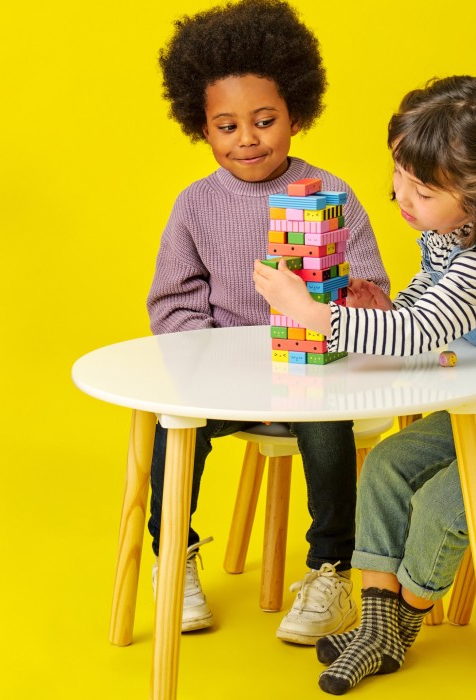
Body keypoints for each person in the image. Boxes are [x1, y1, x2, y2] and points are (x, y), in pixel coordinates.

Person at [253, 75, 476, 693]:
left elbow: (421, 332)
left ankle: (399, 624)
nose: (401, 196)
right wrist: (384, 310)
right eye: (400, 175)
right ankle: (377, 623)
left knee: (444, 504)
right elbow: (428, 305)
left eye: (422, 190)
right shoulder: (448, 233)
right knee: (386, 466)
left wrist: (314, 314)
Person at [147, 0, 389, 645]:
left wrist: (360, 297)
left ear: (296, 115)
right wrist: (213, 360)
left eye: (264, 120)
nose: (247, 139)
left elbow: (374, 292)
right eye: (227, 126)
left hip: (311, 374)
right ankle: (173, 554)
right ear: (201, 128)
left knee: (327, 428)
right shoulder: (195, 205)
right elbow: (172, 301)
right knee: (175, 427)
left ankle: (331, 568)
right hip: (227, 383)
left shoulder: (331, 194)